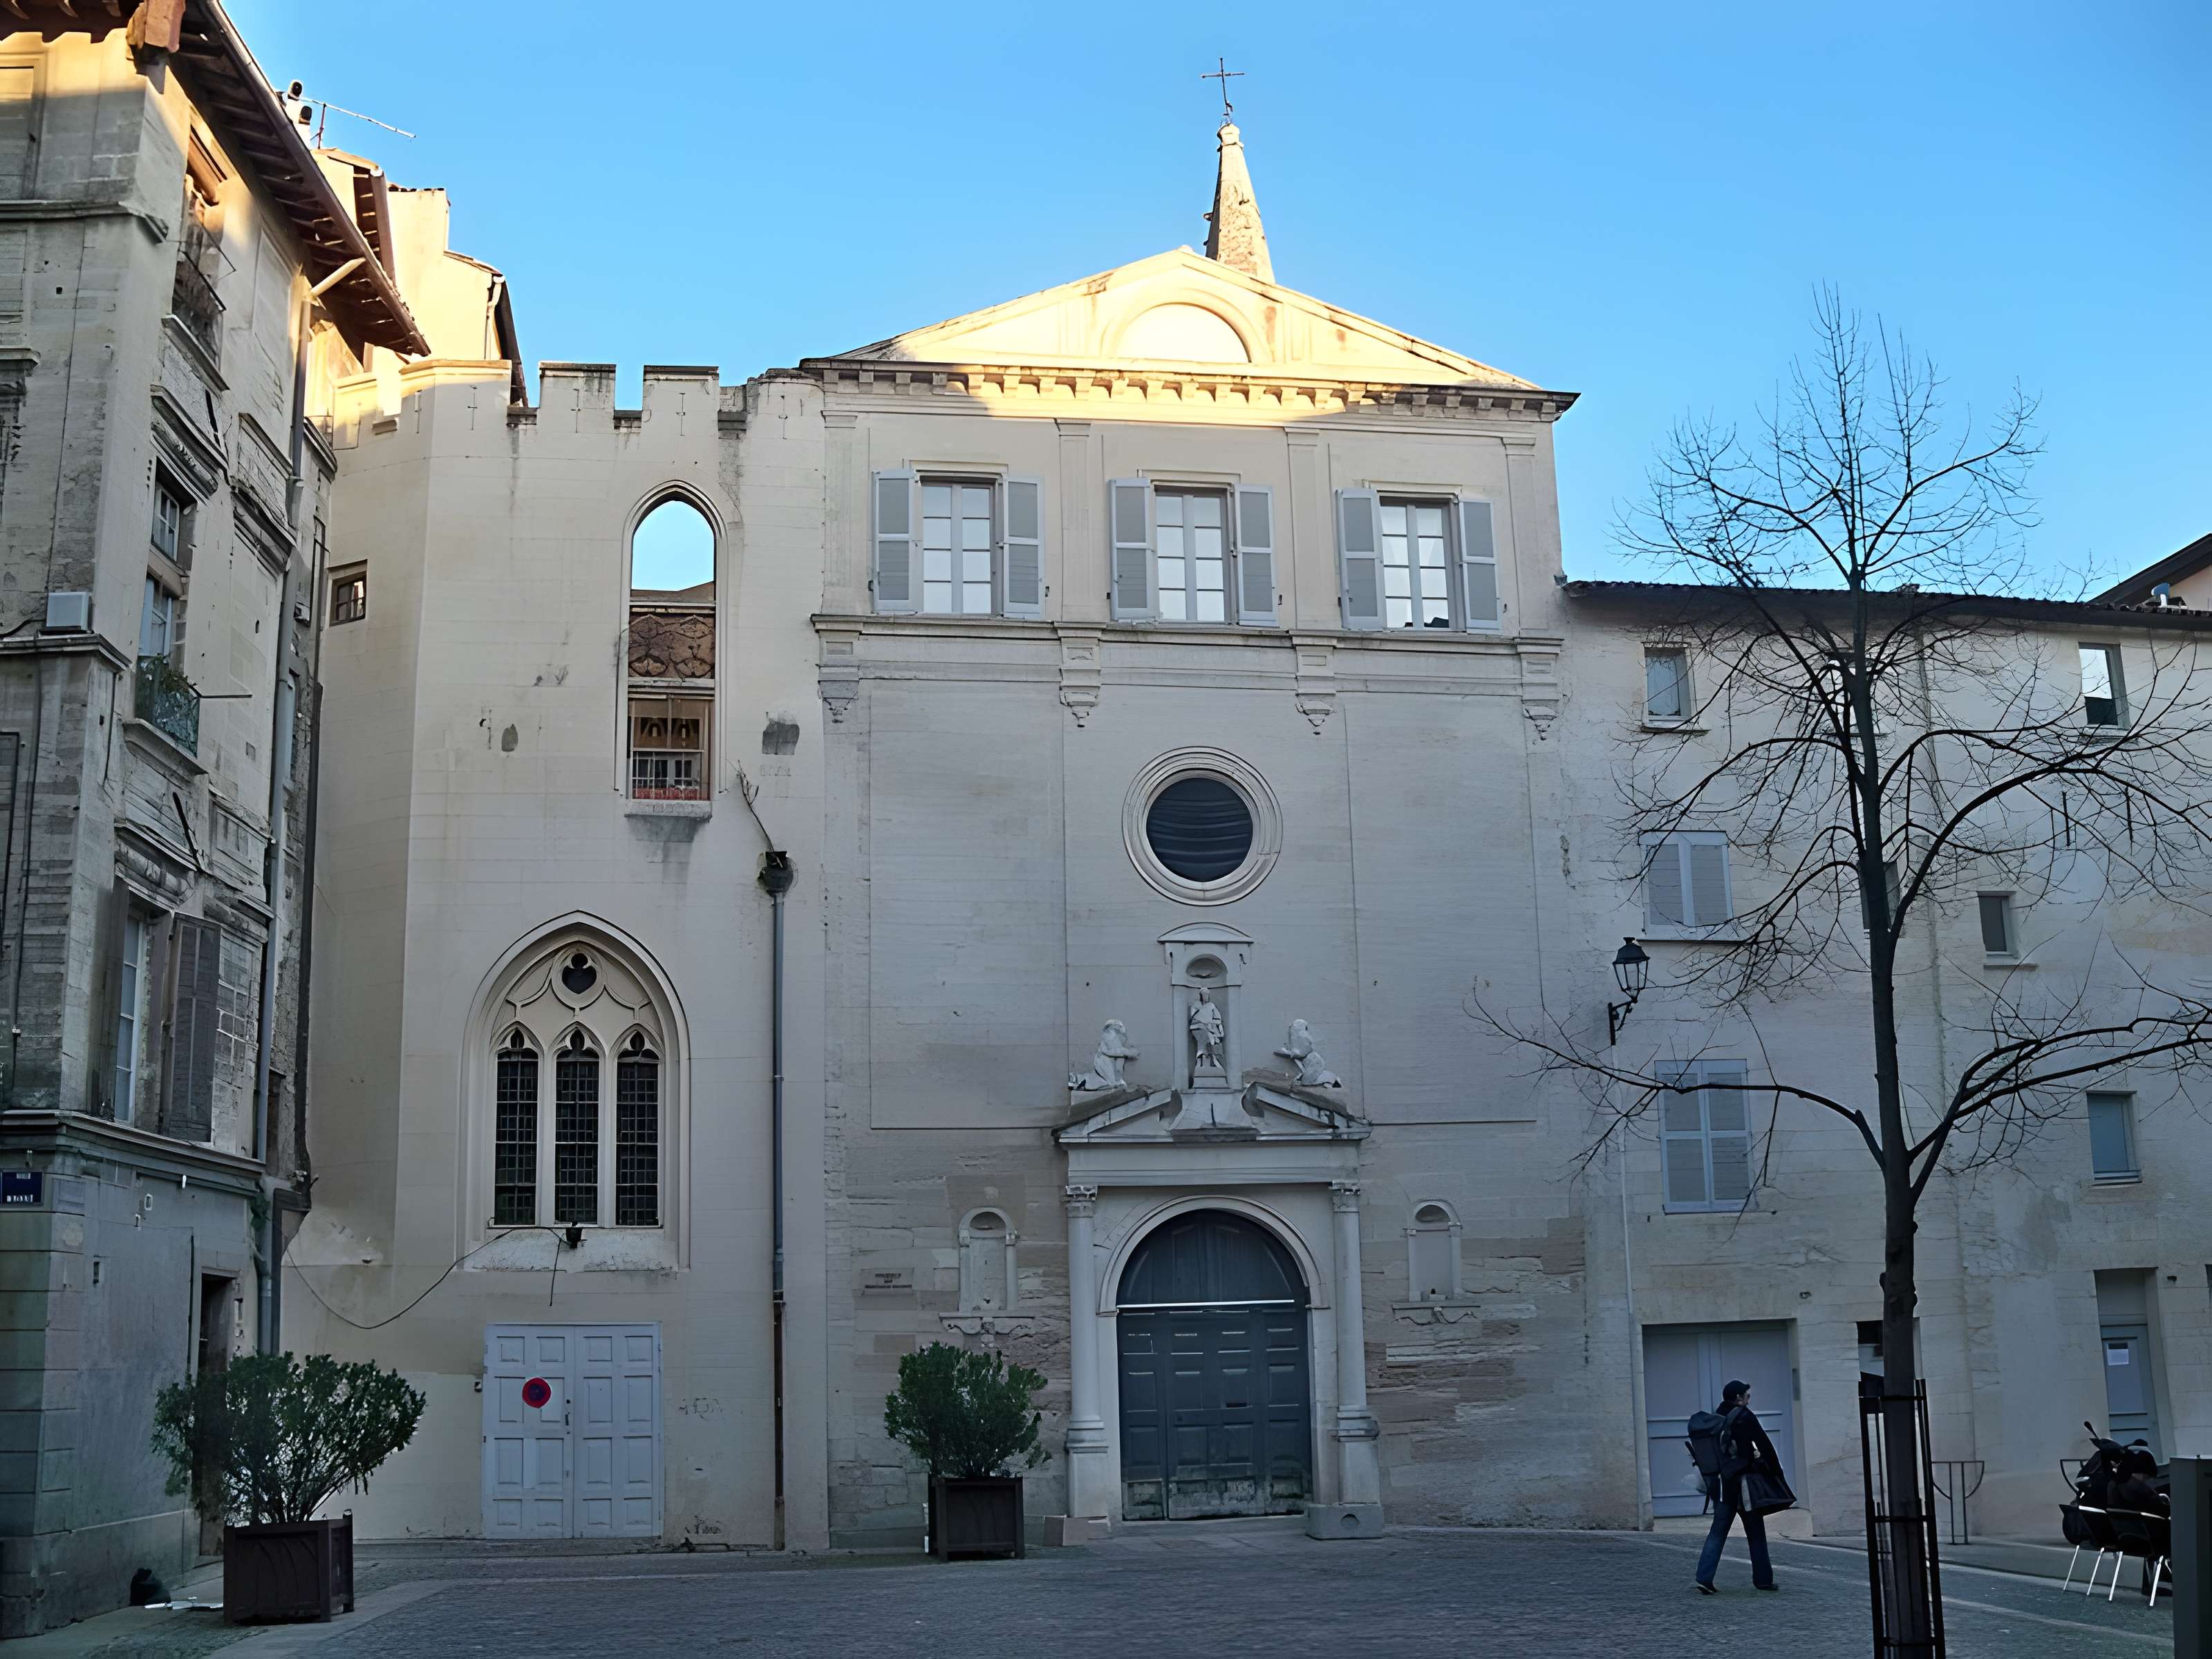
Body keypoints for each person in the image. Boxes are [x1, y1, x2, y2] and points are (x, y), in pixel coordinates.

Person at [1696, 1380, 1781, 1595]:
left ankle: (1704, 1578)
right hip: (1744, 1485)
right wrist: (1776, 1472)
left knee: (1717, 1532)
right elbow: (1764, 1444)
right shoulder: (1744, 1416)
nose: (1749, 1400)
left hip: (1722, 1486)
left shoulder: (1716, 1417)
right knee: (1756, 1531)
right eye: (1747, 1396)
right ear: (1739, 1398)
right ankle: (1763, 1580)